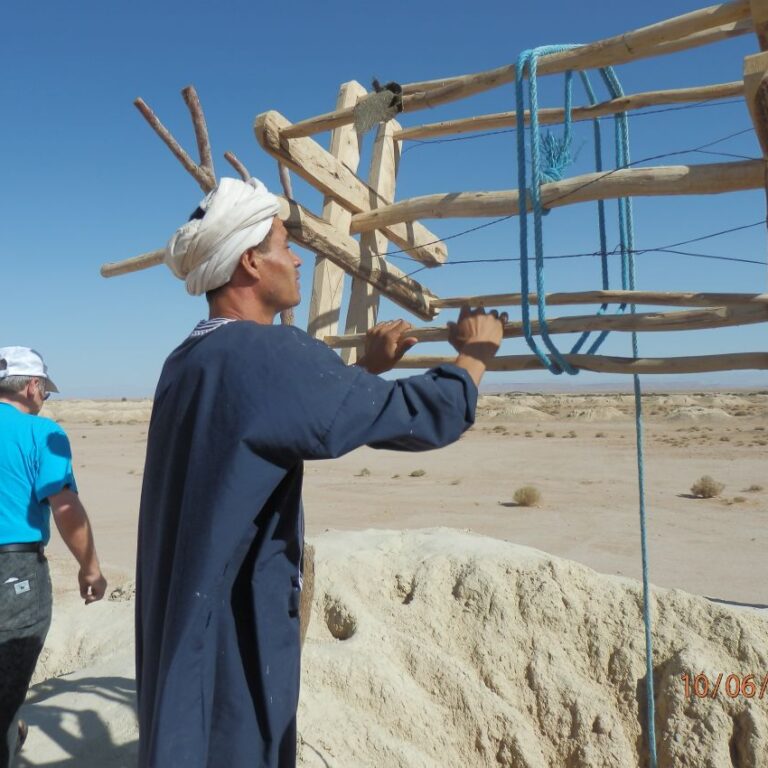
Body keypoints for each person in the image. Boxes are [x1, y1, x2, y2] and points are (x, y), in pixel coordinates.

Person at [136, 177, 507, 768]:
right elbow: (416, 420)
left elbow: (270, 427)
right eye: (285, 245)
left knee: (189, 723)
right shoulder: (264, 352)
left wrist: (362, 370)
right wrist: (473, 357)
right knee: (236, 730)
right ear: (251, 262)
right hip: (234, 606)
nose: (298, 258)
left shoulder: (190, 358)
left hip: (191, 593)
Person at [0, 347, 107, 768]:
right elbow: (64, 507)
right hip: (15, 571)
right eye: (45, 390)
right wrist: (91, 568)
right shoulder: (41, 433)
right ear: (32, 386)